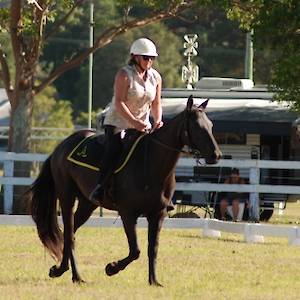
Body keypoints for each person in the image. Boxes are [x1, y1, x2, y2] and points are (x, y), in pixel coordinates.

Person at [89, 38, 164, 203]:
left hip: (143, 126)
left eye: (152, 58)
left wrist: (158, 119)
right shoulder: (124, 74)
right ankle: (100, 187)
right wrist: (135, 122)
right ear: (135, 57)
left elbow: (156, 103)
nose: (149, 61)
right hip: (118, 123)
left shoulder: (156, 77)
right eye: (146, 57)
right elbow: (119, 102)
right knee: (114, 149)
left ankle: (160, 193)